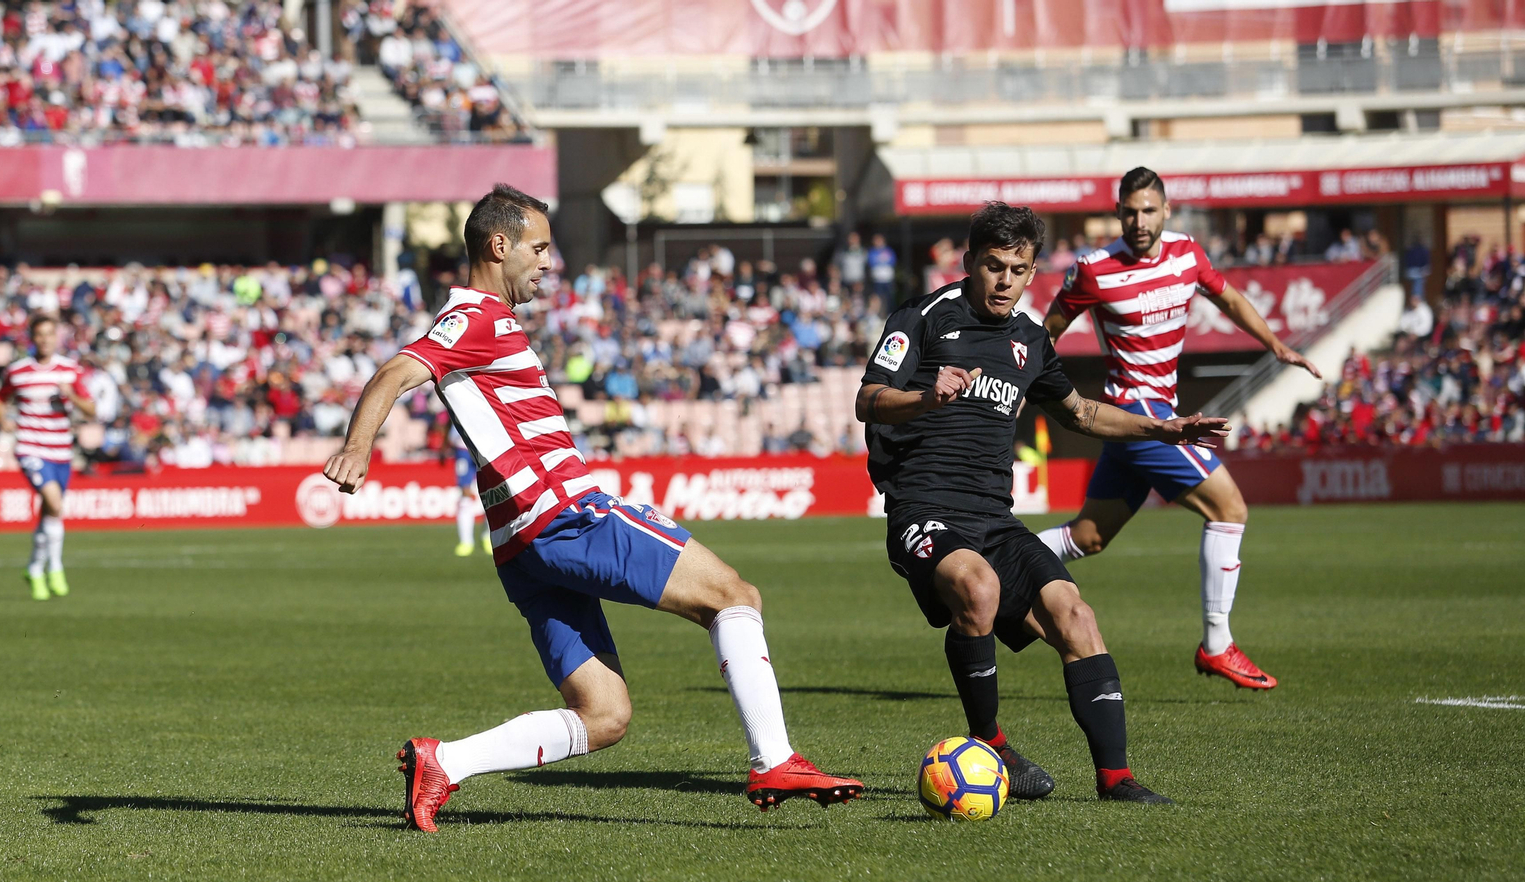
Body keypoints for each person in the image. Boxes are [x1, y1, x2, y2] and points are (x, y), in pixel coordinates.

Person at [322, 184, 863, 832]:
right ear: (500, 246)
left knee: (604, 716)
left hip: (523, 548)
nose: (549, 263)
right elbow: (395, 371)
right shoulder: (475, 318)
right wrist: (358, 448)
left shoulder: (485, 324)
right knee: (734, 595)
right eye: (540, 248)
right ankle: (775, 758)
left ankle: (445, 763)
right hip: (564, 516)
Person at [856, 201, 1228, 804]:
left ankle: (1117, 780)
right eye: (994, 266)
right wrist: (926, 398)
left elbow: (1079, 412)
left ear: (1033, 272)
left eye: (1019, 269)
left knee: (1075, 616)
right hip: (921, 510)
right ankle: (989, 745)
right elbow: (868, 398)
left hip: (994, 519)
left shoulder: (1030, 340)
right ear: (971, 262)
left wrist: (1162, 428)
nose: (1005, 281)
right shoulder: (924, 317)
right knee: (976, 589)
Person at [1034, 167, 1320, 689]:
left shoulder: (1187, 254)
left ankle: (997, 556)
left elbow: (1228, 297)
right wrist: (1021, 386)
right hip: (1140, 414)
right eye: (1129, 211)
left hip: (1152, 413)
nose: (1139, 220)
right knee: (1229, 508)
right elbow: (1047, 333)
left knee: (1088, 538)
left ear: (1166, 212)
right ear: (1117, 213)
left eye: (1148, 210)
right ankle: (1217, 644)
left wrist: (1273, 343)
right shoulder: (1094, 270)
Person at [0, 313, 95, 601]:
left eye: (50, 333)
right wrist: (3, 420)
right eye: (40, 334)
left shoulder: (70, 370)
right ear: (32, 338)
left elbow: (91, 410)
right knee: (54, 503)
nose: (45, 339)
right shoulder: (18, 371)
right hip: (31, 447)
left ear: (57, 336)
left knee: (50, 512)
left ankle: (35, 568)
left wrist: (70, 396)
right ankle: (56, 568)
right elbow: (1, 398)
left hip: (60, 449)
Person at [450, 431, 489, 557]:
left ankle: (488, 537)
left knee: (492, 493)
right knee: (465, 493)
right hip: (463, 448)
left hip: (485, 447)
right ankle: (466, 542)